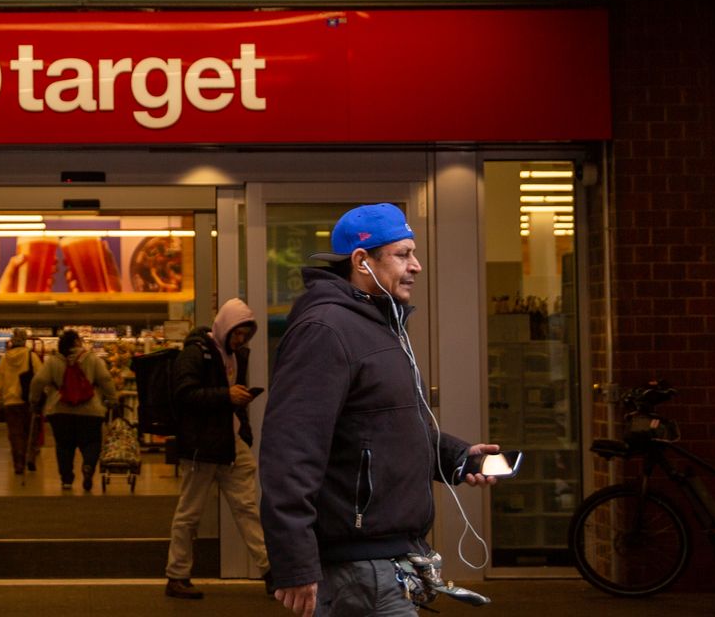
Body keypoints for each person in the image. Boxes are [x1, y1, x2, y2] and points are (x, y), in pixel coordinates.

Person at [259, 204, 500, 617]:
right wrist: (295, 562)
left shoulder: (378, 325)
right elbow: (290, 452)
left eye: (414, 254)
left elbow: (380, 428)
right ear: (361, 261)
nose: (416, 266)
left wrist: (456, 457)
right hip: (357, 568)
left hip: (384, 561)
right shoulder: (327, 330)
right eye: (403, 254)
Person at [164, 298, 270, 600]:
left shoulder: (237, 356)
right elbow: (183, 395)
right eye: (237, 333)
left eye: (245, 335)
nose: (240, 339)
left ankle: (271, 572)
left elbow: (227, 397)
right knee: (190, 514)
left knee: (247, 509)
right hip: (202, 446)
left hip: (228, 444)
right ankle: (177, 575)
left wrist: (242, 426)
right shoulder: (196, 353)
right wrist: (226, 396)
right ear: (224, 326)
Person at [26, 329, 118, 492]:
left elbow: (38, 380)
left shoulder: (53, 361)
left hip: (60, 411)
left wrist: (34, 401)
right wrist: (112, 399)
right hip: (90, 411)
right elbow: (105, 379)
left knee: (64, 446)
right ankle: (88, 466)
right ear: (77, 342)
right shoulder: (92, 359)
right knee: (91, 443)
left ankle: (66, 479)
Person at [0, 328, 38, 475]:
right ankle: (31, 456)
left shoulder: (5, 359)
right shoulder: (32, 356)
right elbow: (40, 377)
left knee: (15, 434)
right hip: (28, 401)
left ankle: (18, 463)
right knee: (31, 430)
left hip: (11, 402)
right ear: (25, 342)